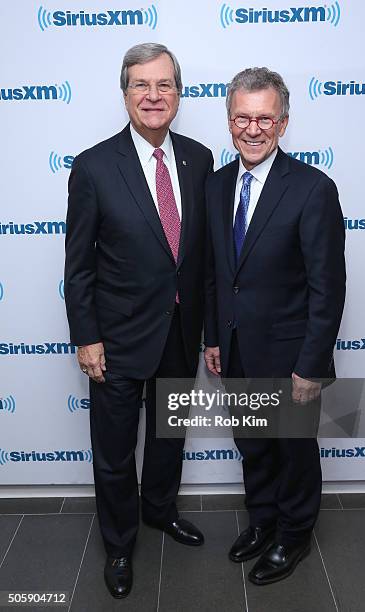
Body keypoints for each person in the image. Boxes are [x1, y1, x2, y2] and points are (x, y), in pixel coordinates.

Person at [64, 42, 213, 599]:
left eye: (164, 85)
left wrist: (211, 332)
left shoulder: (200, 160)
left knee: (169, 438)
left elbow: (204, 259)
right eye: (141, 85)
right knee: (115, 450)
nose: (153, 96)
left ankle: (160, 511)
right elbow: (77, 266)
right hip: (117, 339)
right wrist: (87, 337)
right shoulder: (94, 167)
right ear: (124, 92)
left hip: (181, 331)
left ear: (179, 92)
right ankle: (120, 544)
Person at [204, 67, 345, 585]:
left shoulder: (312, 189)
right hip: (237, 349)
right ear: (229, 121)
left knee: (292, 451)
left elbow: (328, 288)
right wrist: (214, 338)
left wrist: (312, 364)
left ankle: (294, 535)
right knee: (253, 444)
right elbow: (217, 273)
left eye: (265, 118)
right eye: (242, 117)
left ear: (283, 123)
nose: (253, 128)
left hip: (290, 359)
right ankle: (263, 520)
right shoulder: (217, 186)